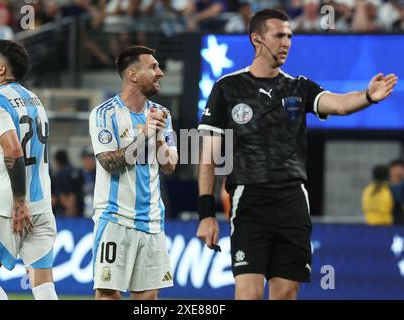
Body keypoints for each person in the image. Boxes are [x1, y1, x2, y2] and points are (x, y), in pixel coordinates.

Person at [196, 9, 398, 300]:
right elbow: (208, 157)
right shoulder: (227, 88)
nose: (287, 42)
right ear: (257, 39)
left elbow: (339, 104)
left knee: (286, 295)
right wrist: (206, 213)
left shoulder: (299, 87)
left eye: (290, 36)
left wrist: (367, 96)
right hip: (250, 202)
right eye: (279, 35)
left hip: (292, 202)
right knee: (248, 294)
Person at [0, 40, 58, 300]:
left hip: (7, 204)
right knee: (43, 284)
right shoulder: (36, 101)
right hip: (41, 204)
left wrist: (19, 202)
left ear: (2, 69)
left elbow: (14, 150)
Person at [88, 45, 178, 300]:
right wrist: (144, 136)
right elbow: (109, 163)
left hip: (151, 220)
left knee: (148, 299)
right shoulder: (104, 114)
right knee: (108, 294)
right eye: (153, 67)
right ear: (133, 74)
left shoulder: (162, 114)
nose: (160, 72)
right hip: (115, 218)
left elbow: (170, 164)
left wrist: (158, 137)